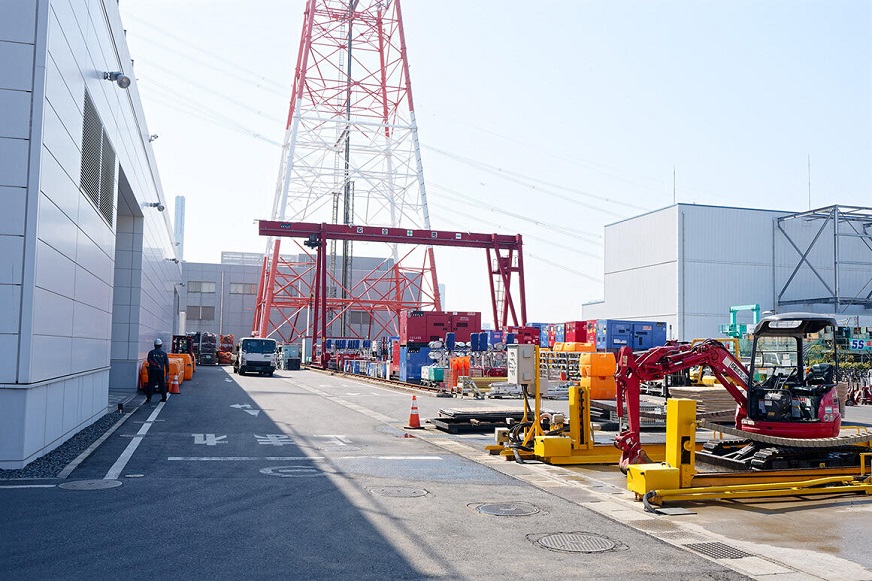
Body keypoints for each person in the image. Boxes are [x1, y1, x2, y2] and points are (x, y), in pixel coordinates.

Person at [145, 338, 170, 402]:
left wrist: (155, 365)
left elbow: (149, 360)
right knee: (162, 384)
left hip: (152, 370)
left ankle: (149, 398)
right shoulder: (164, 354)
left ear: (154, 345)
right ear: (161, 345)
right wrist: (167, 373)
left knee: (151, 384)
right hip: (160, 371)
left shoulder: (151, 352)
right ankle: (164, 398)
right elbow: (167, 364)